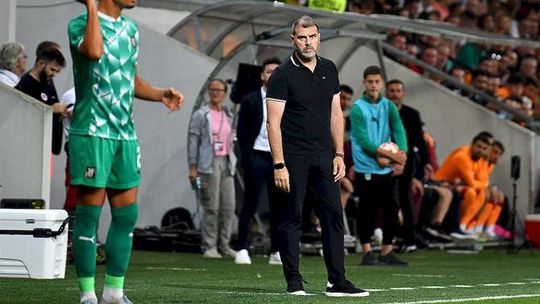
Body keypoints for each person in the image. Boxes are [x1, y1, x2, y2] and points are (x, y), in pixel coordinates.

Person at [67, 1, 184, 303]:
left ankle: (114, 293)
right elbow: (93, 51)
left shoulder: (130, 29)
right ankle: (87, 294)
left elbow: (129, 79)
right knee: (89, 214)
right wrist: (92, 6)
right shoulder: (80, 24)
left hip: (125, 137)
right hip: (93, 133)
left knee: (126, 215)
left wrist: (160, 94)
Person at [266, 15, 367, 297]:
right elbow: (272, 123)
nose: (307, 42)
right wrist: (279, 164)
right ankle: (294, 282)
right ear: (293, 39)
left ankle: (337, 282)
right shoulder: (282, 74)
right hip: (293, 156)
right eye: (302, 37)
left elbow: (336, 114)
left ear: (319, 37)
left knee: (333, 217)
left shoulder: (330, 68)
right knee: (291, 218)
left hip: (325, 155)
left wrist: (339, 153)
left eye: (312, 37)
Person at [350, 66, 408, 266]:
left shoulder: (388, 106)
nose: (374, 85)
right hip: (366, 166)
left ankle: (387, 250)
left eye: (377, 81)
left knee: (392, 207)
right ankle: (367, 251)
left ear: (381, 82)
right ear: (364, 83)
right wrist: (392, 156)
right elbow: (363, 141)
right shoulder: (358, 108)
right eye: (370, 82)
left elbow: (398, 129)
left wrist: (403, 154)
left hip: (386, 167)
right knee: (367, 210)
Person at [235, 58, 282, 265]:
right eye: (269, 71)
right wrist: (247, 159)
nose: (273, 75)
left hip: (277, 158)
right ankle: (242, 248)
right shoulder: (250, 100)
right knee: (250, 203)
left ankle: (277, 251)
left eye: (276, 72)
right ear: (262, 75)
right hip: (256, 155)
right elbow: (242, 132)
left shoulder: (286, 100)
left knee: (278, 206)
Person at [187, 79, 237, 260]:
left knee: (228, 206)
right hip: (208, 163)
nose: (215, 93)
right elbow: (193, 142)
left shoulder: (228, 114)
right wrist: (193, 167)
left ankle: (224, 244)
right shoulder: (201, 114)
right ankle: (209, 245)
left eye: (219, 90)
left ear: (225, 93)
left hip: (227, 161)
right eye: (212, 90)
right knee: (211, 206)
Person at [386, 79, 429, 253]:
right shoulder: (380, 112)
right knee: (389, 199)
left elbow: (420, 141)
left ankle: (409, 239)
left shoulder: (412, 114)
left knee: (404, 199)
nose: (395, 94)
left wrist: (425, 163)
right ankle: (389, 238)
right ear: (387, 93)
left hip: (406, 162)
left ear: (402, 93)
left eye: (398, 90)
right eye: (392, 90)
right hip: (383, 161)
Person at [433, 133, 491, 234]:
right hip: (440, 183)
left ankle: (466, 225)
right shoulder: (463, 156)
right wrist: (484, 183)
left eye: (484, 148)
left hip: (454, 185)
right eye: (478, 146)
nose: (480, 150)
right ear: (472, 145)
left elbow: (481, 178)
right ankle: (458, 226)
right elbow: (474, 183)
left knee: (482, 193)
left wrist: (483, 181)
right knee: (471, 193)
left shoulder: (480, 159)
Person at [15, 46, 67, 155]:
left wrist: (60, 112)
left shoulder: (47, 83)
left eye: (57, 71)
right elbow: (22, 114)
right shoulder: (26, 83)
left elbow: (53, 105)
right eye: (52, 69)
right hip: (31, 147)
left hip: (48, 147)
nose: (54, 74)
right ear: (41, 64)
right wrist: (50, 109)